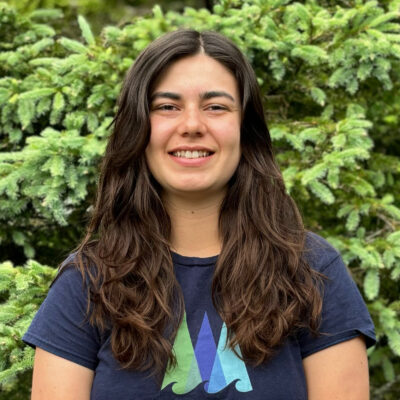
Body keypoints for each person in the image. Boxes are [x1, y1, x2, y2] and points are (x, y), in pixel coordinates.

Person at [23, 29, 376, 400]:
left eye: (216, 107)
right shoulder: (87, 284)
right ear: (139, 128)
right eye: (167, 107)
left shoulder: (313, 272)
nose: (191, 125)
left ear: (246, 129)